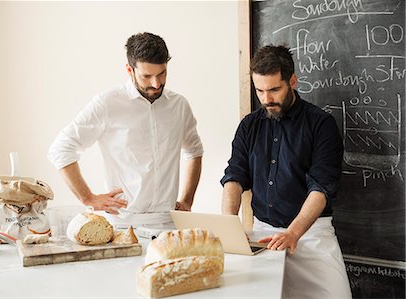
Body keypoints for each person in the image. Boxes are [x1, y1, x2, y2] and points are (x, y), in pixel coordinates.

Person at [220, 45, 351, 298]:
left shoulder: (321, 124)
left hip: (311, 237)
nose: (266, 99)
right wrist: (228, 223)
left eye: (274, 90)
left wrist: (293, 233)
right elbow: (234, 177)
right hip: (261, 237)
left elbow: (321, 187)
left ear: (292, 81)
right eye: (260, 90)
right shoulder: (248, 126)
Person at [48, 32, 203, 228]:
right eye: (147, 76)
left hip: (169, 223)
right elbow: (60, 149)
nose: (156, 84)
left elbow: (195, 151)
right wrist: (88, 198)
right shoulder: (107, 103)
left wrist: (187, 201)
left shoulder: (179, 105)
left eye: (162, 73)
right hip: (122, 224)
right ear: (129, 70)